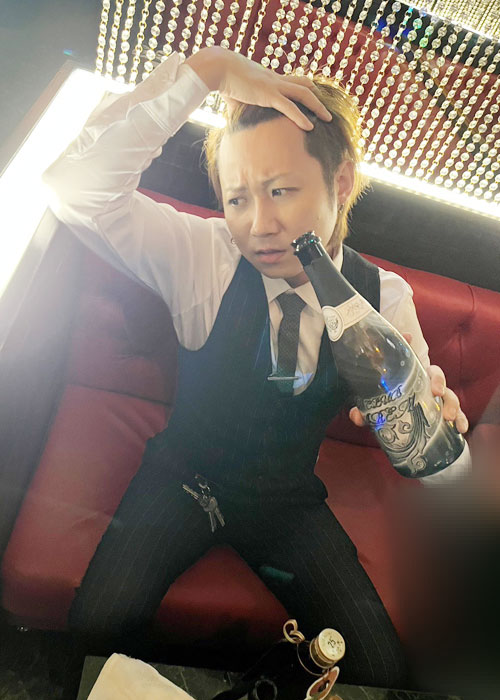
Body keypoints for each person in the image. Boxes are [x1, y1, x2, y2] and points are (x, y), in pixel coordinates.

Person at [42, 46, 471, 688]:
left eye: (281, 191)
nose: (259, 226)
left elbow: (417, 431)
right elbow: (74, 187)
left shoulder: (384, 299)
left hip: (285, 499)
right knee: (96, 625)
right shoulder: (205, 254)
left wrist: (437, 418)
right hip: (184, 477)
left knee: (379, 665)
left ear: (341, 183)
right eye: (238, 198)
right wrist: (209, 72)